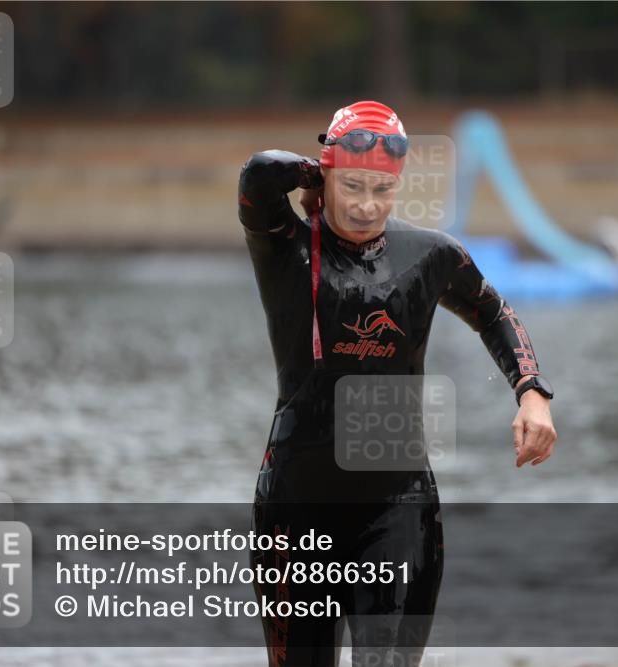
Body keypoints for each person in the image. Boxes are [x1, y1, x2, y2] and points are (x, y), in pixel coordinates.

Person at [238, 100, 557, 667]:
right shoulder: (284, 245)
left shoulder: (429, 255)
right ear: (327, 175)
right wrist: (320, 172)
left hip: (397, 509)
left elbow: (494, 312)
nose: (365, 206)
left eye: (382, 190)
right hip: (295, 508)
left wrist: (531, 391)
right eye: (351, 186)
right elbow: (259, 174)